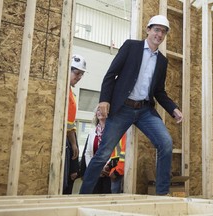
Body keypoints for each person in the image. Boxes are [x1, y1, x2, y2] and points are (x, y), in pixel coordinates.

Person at [80, 15, 183, 195]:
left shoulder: (162, 61)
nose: (159, 34)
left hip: (144, 110)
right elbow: (111, 75)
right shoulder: (131, 47)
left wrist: (173, 108)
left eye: (163, 31)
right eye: (157, 29)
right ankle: (83, 195)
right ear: (148, 30)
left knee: (166, 142)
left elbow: (159, 91)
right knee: (103, 152)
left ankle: (162, 195)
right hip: (122, 108)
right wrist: (104, 100)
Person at [82, 109, 126, 193]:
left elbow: (116, 151)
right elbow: (87, 153)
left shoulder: (115, 131)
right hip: (94, 173)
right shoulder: (92, 133)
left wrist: (103, 167)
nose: (99, 112)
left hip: (109, 172)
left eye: (102, 110)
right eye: (98, 110)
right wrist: (93, 168)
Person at [63, 54, 87, 194]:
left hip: (68, 139)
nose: (78, 77)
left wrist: (73, 144)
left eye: (81, 75)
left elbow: (70, 124)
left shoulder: (71, 94)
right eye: (77, 73)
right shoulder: (62, 91)